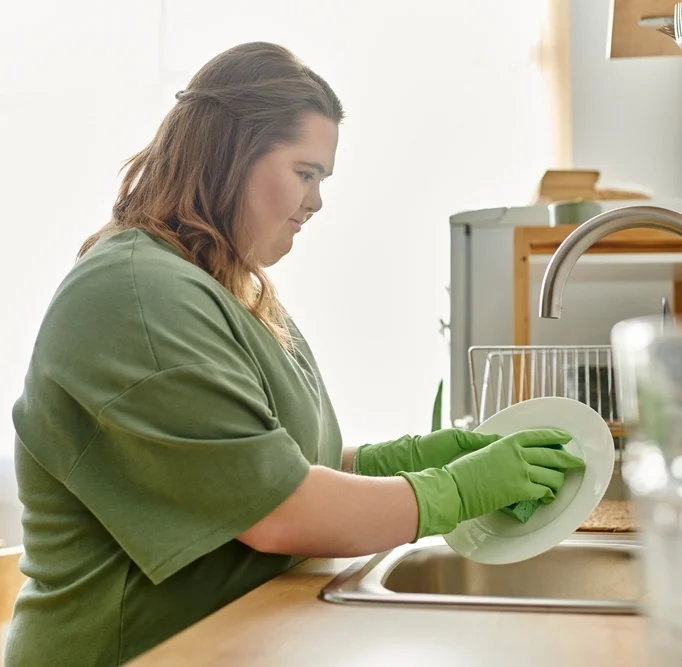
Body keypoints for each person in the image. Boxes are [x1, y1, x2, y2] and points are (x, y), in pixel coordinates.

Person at [4, 41, 584, 666]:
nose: (316, 202)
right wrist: (459, 489)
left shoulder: (222, 289)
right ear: (229, 155)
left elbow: (269, 468)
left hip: (223, 642)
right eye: (304, 173)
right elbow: (279, 510)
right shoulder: (135, 296)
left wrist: (412, 457)